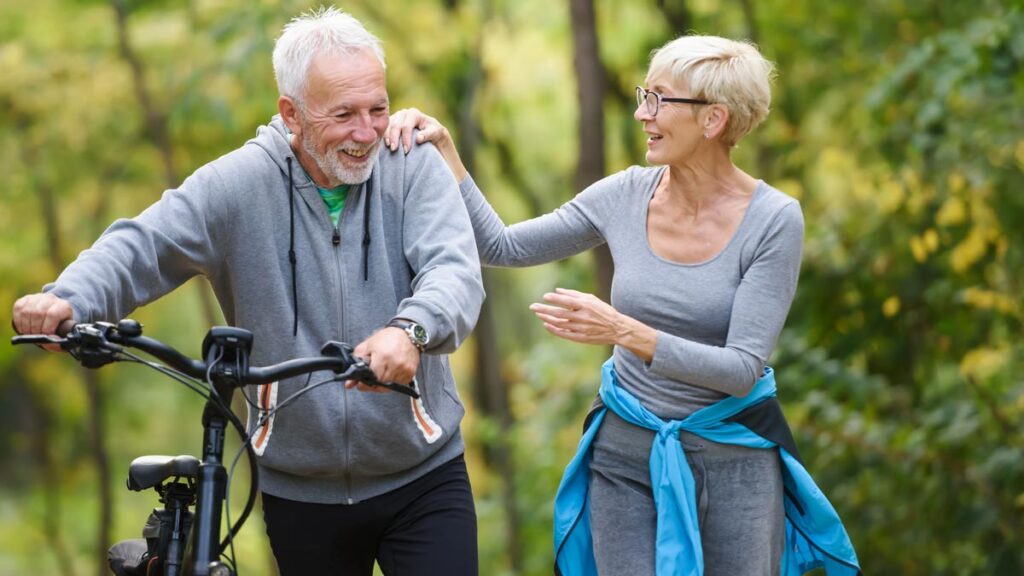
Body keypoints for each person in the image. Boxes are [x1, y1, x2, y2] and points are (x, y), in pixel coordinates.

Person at [11, 7, 483, 576]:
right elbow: (146, 243)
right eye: (344, 114)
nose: (367, 132)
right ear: (293, 113)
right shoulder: (239, 184)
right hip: (300, 489)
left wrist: (412, 329)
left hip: (422, 475)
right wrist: (68, 298)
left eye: (377, 108)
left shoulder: (412, 165)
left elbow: (454, 271)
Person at [387, 35, 860, 575]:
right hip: (624, 455)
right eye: (643, 95)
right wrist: (447, 152)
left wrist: (623, 330)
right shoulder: (626, 194)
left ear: (713, 120)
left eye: (659, 99)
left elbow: (740, 369)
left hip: (736, 462)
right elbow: (504, 246)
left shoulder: (774, 220)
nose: (641, 113)